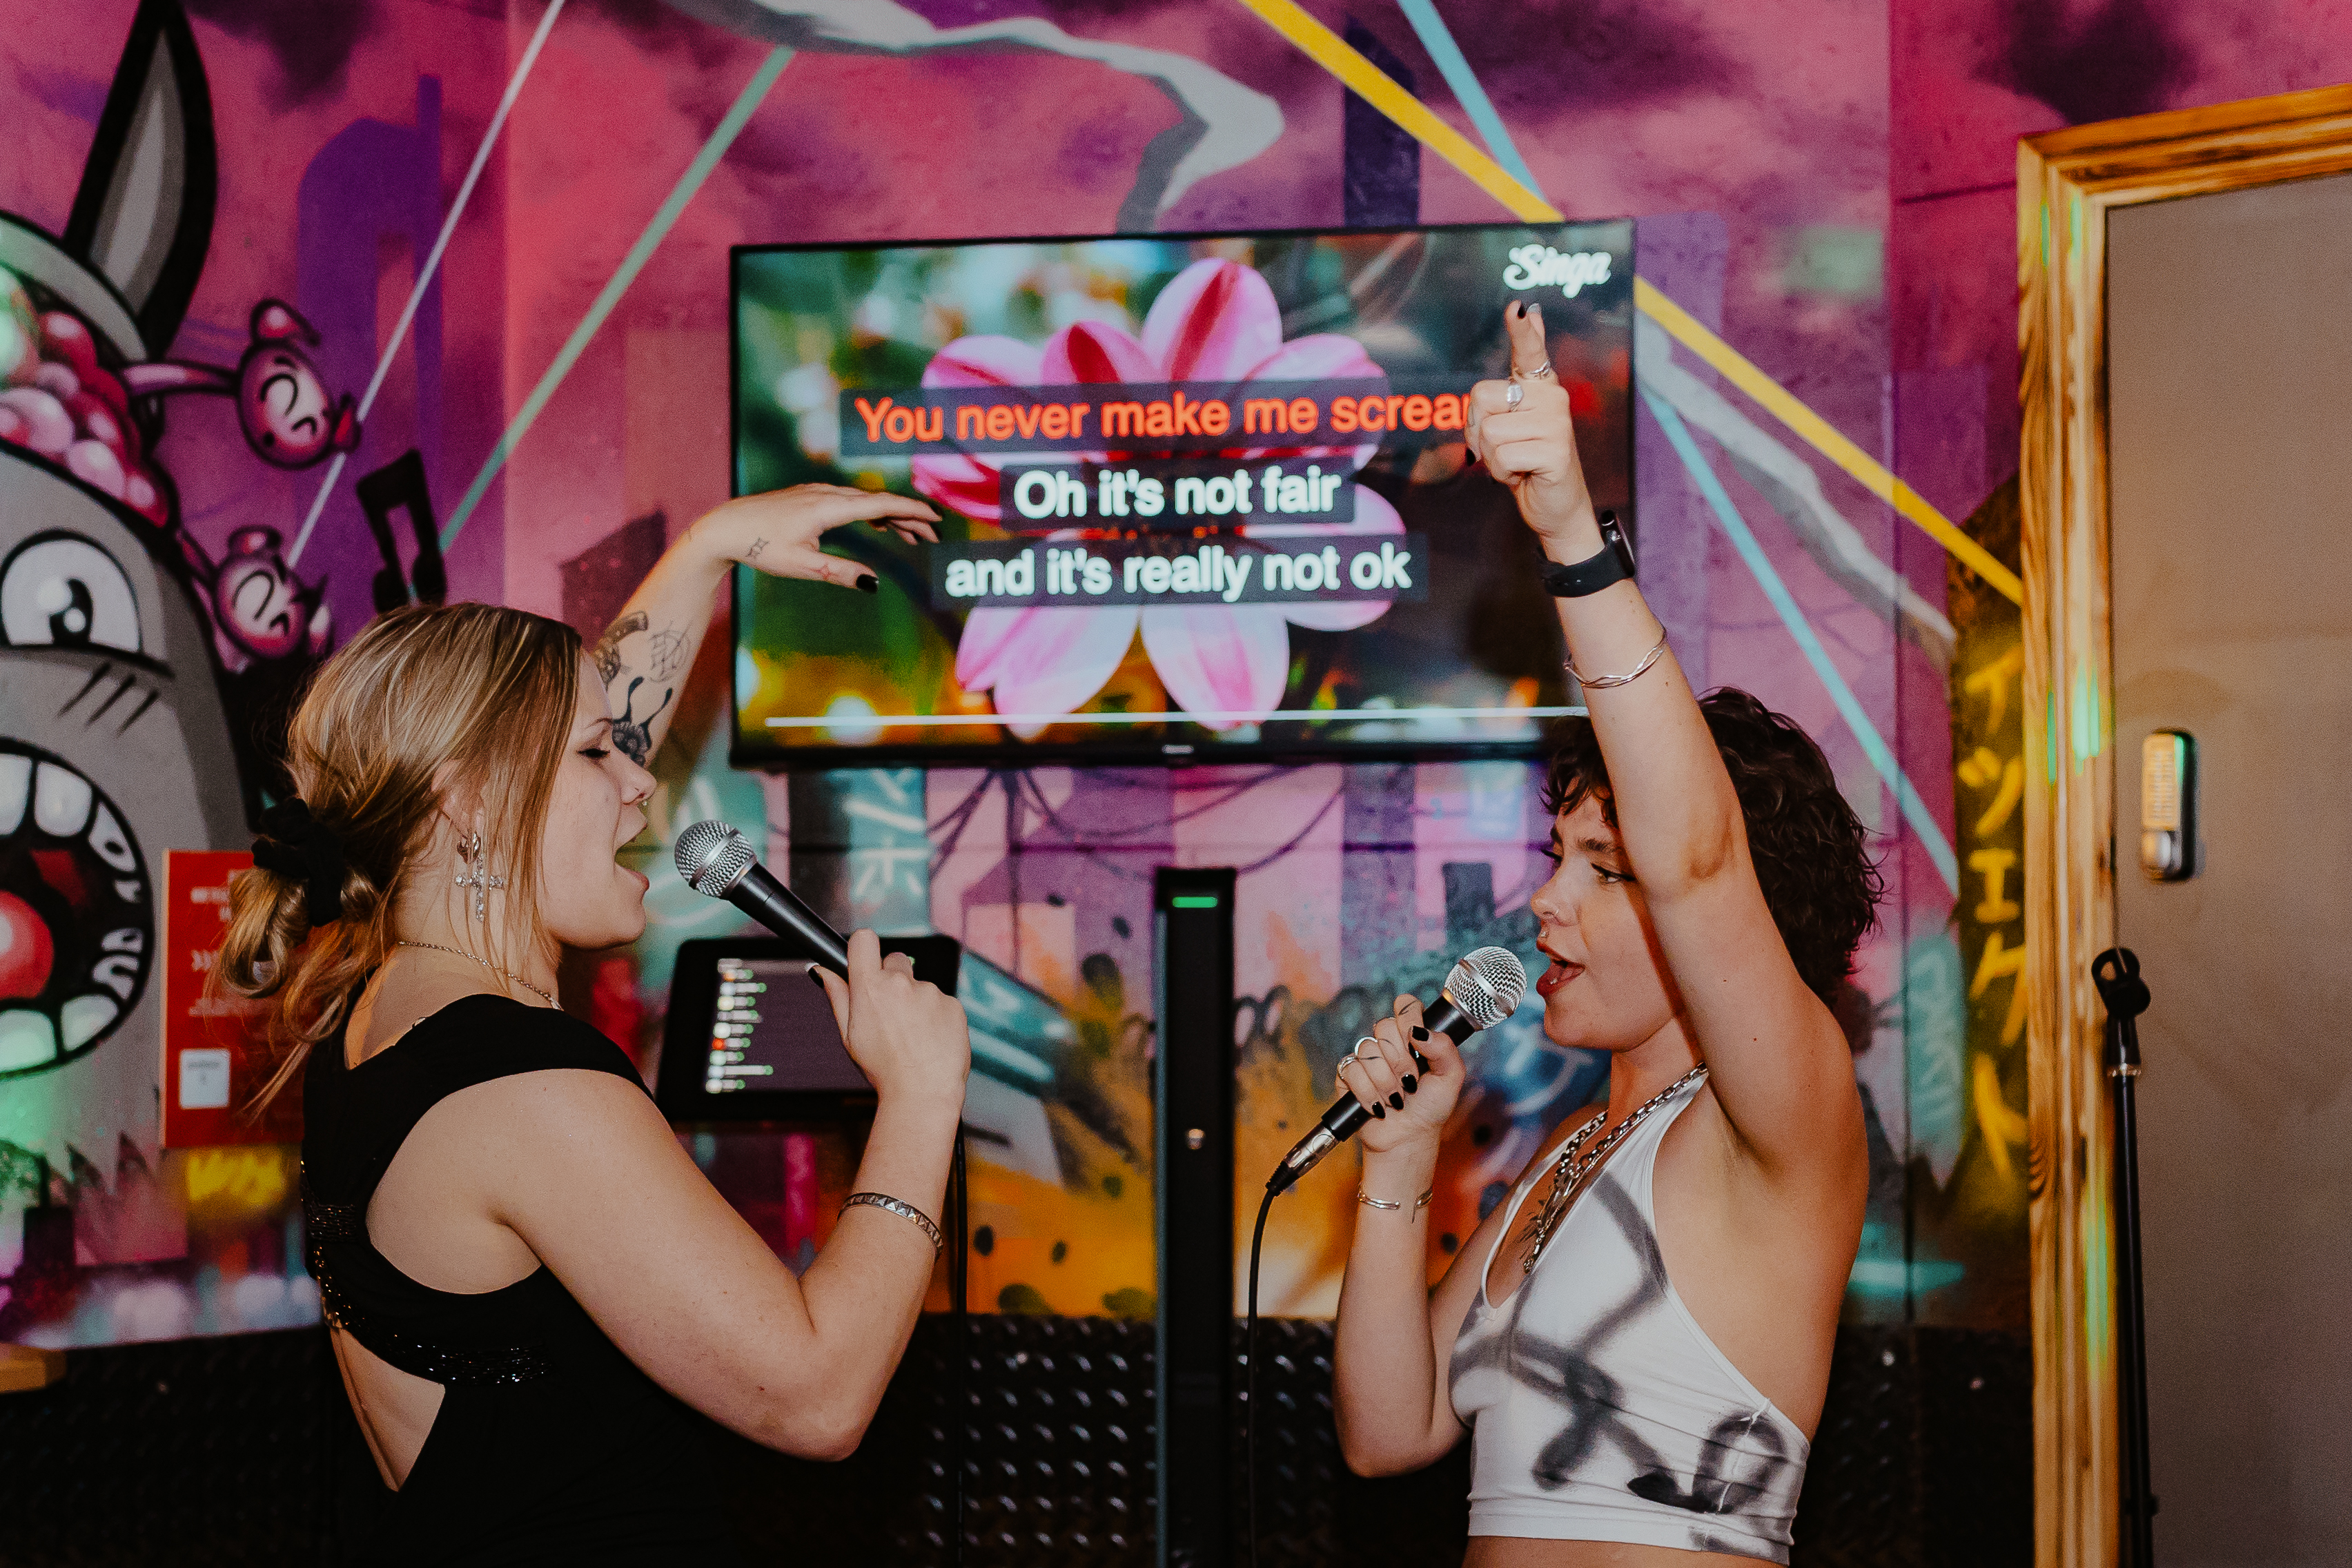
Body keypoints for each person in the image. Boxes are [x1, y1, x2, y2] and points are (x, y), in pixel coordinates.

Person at [216, 485, 963, 1565]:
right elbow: (817, 1397)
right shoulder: (525, 1087)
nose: (640, 782)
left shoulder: (384, 1015)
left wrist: (707, 549)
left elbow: (542, 757)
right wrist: (923, 1099)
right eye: (599, 754)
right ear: (468, 802)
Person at [1329, 302, 1879, 1566]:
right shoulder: (1573, 1151)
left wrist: (1571, 533)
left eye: (1605, 869)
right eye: (1556, 858)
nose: (1546, 902)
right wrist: (1398, 1166)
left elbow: (1699, 862)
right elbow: (1388, 1432)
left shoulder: (1784, 1118)